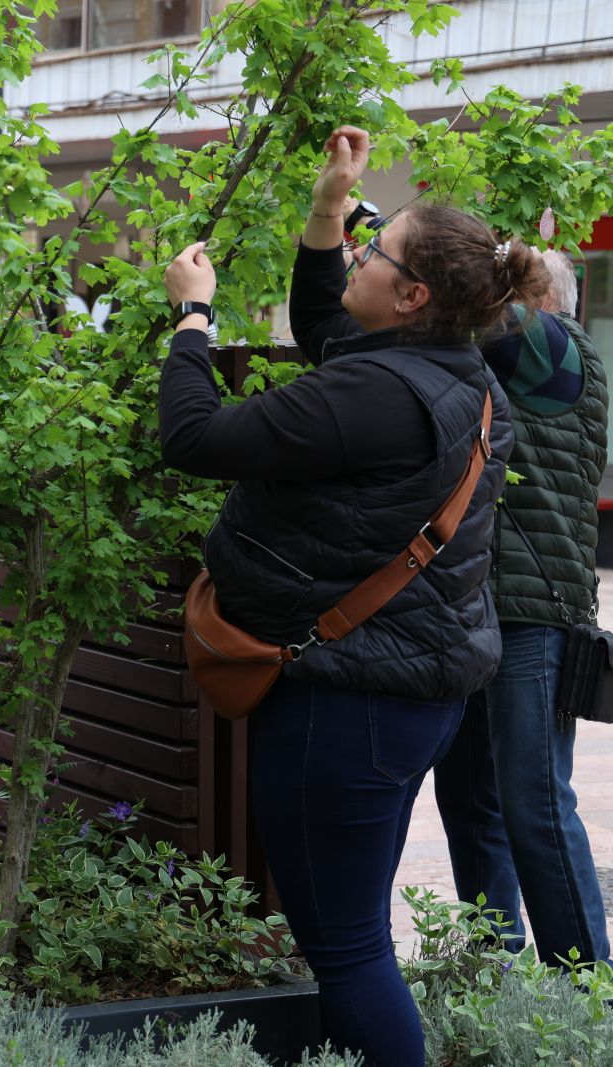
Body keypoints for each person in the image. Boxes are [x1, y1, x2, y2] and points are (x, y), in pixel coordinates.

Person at [157, 125, 542, 1065]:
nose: (361, 252)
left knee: (348, 948)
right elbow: (327, 324)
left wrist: (193, 319)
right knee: (352, 933)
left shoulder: (376, 394)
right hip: (403, 691)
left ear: (413, 297)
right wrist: (330, 205)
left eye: (378, 247)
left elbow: (194, 438)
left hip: (348, 703)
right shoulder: (452, 377)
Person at [433, 248, 610, 966]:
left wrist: (479, 254)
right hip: (481, 607)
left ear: (547, 299)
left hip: (534, 613)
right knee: (469, 797)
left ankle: (588, 985)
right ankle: (493, 971)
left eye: (515, 285)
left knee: (533, 799)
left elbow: (489, 313)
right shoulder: (513, 362)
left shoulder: (556, 348)